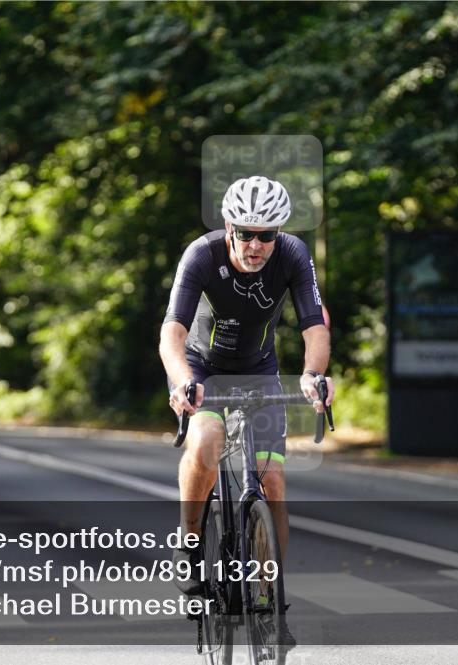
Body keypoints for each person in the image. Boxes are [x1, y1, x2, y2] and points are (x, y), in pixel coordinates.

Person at [159, 175, 335, 643]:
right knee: (206, 441)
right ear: (229, 227)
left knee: (272, 482)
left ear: (280, 233)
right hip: (202, 370)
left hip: (258, 370)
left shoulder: (293, 254)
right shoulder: (202, 255)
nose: (256, 245)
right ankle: (190, 544)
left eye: (267, 235)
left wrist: (313, 375)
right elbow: (172, 331)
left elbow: (314, 326)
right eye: (246, 233)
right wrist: (182, 380)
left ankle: (269, 600)